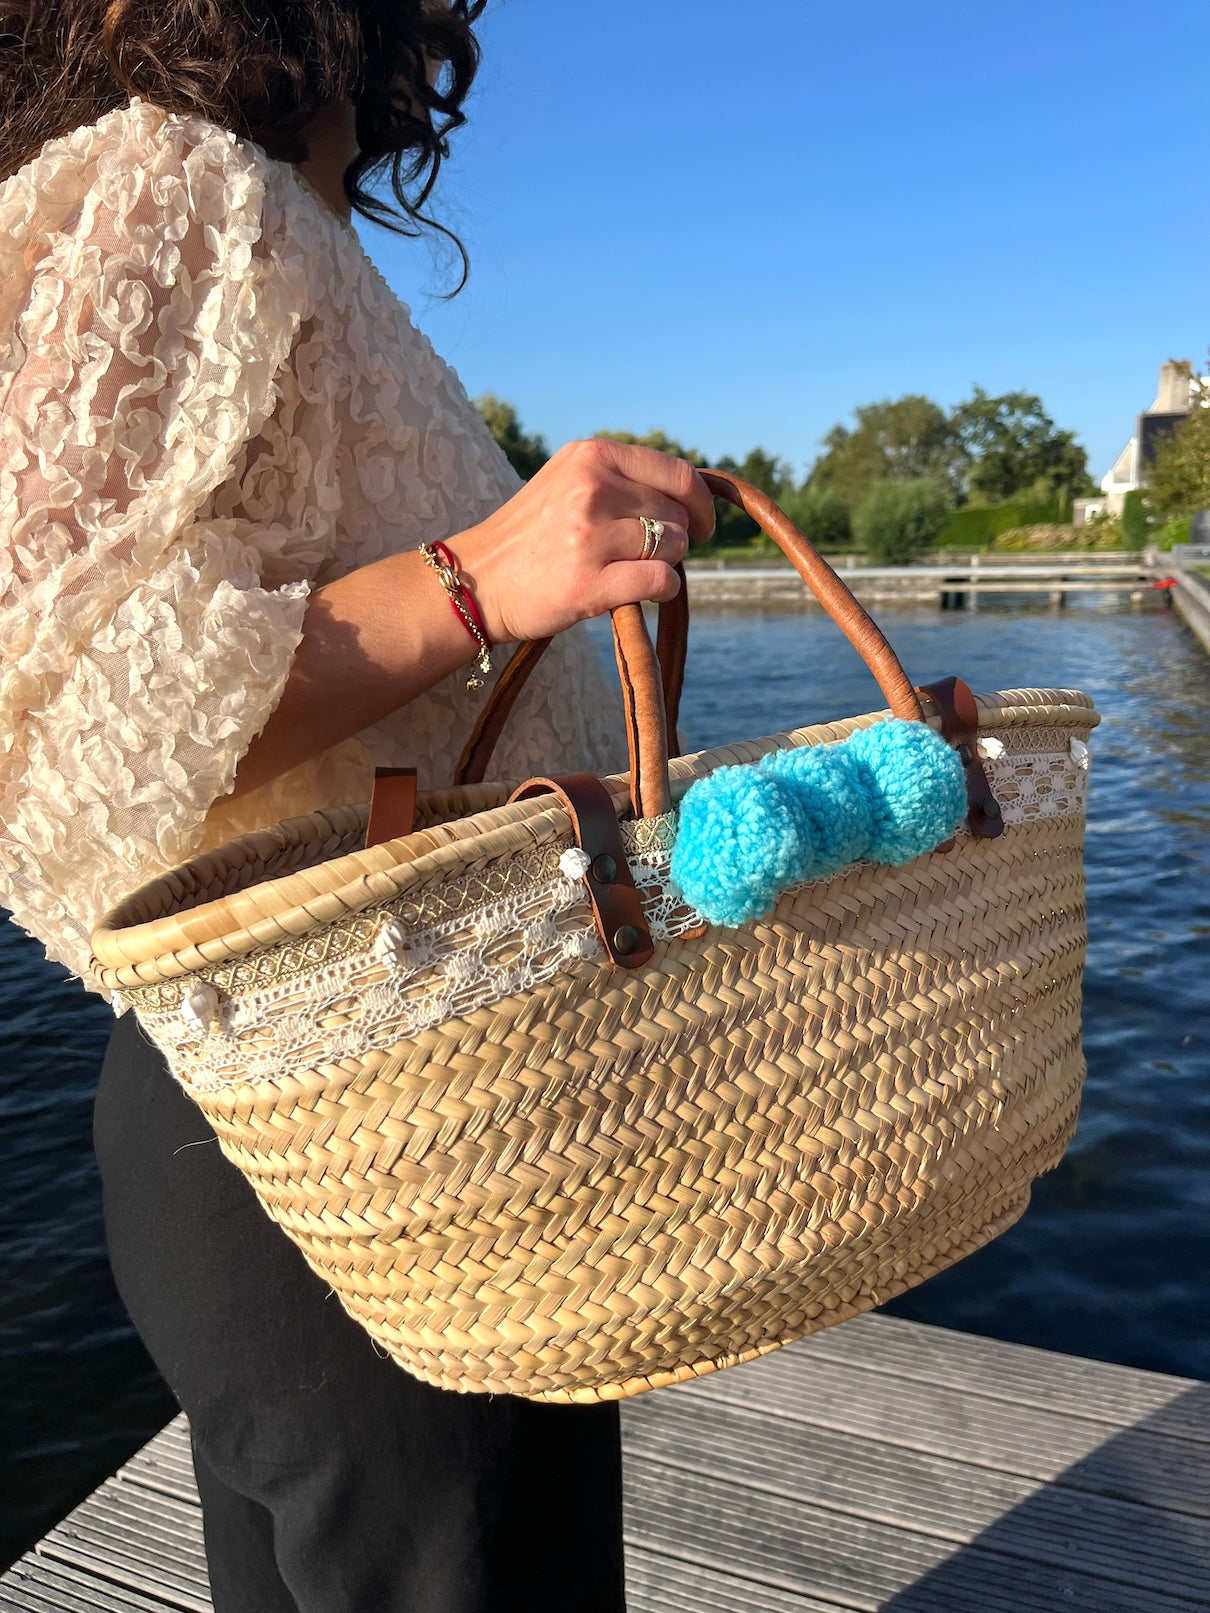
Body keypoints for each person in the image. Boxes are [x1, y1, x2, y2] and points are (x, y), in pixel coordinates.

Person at [0, 3, 716, 1609]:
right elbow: (34, 718)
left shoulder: (263, 206)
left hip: (361, 1104)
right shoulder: (174, 183)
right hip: (363, 1142)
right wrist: (481, 576)